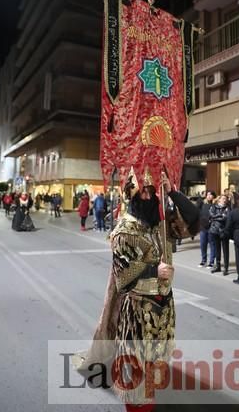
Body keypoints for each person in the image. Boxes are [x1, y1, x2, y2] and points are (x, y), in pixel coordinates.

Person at [73, 175, 199, 411]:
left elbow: (194, 221)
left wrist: (173, 192)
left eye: (152, 191)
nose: (149, 196)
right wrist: (155, 269)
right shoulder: (124, 230)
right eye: (143, 191)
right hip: (137, 313)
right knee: (135, 379)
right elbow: (123, 279)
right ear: (131, 195)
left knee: (154, 371)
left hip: (163, 311)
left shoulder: (160, 224)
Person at [209, 194, 231, 275]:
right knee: (217, 249)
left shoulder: (228, 208)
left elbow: (226, 218)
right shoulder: (213, 207)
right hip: (214, 230)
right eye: (223, 198)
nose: (224, 200)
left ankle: (226, 268)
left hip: (224, 231)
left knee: (226, 250)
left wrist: (216, 217)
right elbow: (211, 215)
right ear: (219, 200)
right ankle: (218, 266)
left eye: (226, 199)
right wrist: (220, 215)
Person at [198, 190, 216, 267]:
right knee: (203, 244)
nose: (208, 196)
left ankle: (211, 262)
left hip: (212, 228)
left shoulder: (215, 205)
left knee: (212, 244)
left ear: (213, 196)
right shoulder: (203, 204)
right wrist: (201, 197)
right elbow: (196, 208)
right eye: (207, 194)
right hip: (203, 227)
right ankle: (203, 260)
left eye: (210, 194)